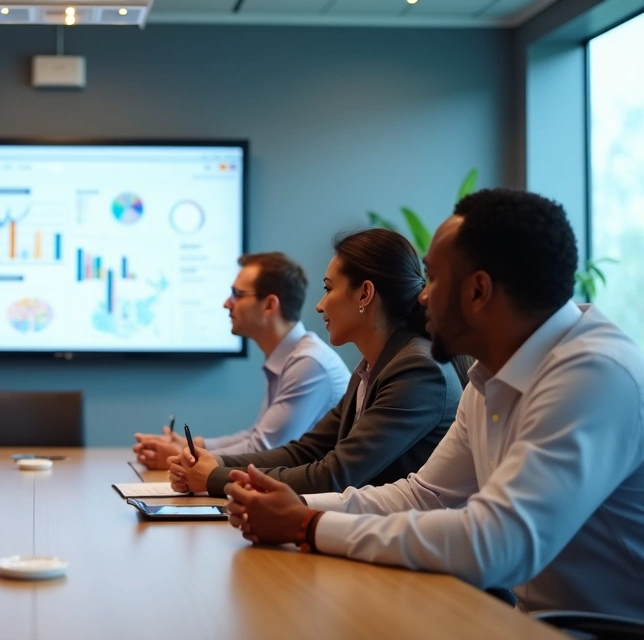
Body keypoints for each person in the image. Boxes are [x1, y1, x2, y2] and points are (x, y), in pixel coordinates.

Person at [224, 189, 644, 617]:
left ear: (478, 291)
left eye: (435, 278)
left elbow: (496, 543)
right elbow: (426, 495)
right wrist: (299, 510)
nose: (422, 297)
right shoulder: (488, 377)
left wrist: (307, 526)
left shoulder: (593, 374)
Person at [170, 229, 465, 496]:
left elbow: (335, 475)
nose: (319, 305)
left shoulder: (417, 370)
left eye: (328, 288)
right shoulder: (370, 369)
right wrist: (215, 463)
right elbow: (306, 451)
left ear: (365, 293)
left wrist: (215, 478)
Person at [133, 252, 348, 468]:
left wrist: (187, 455)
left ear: (269, 305)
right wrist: (196, 445)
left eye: (237, 294)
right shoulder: (293, 356)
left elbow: (264, 449)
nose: (227, 303)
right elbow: (257, 436)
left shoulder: (309, 363)